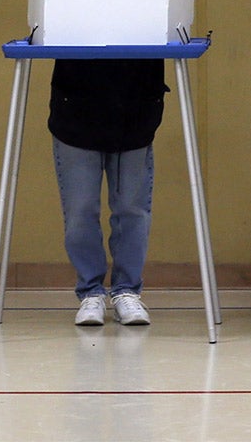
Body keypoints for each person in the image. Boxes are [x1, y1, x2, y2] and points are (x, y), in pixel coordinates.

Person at [48, 57, 167, 327]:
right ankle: (90, 292)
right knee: (80, 209)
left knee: (131, 209)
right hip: (76, 106)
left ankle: (127, 290)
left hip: (135, 106)